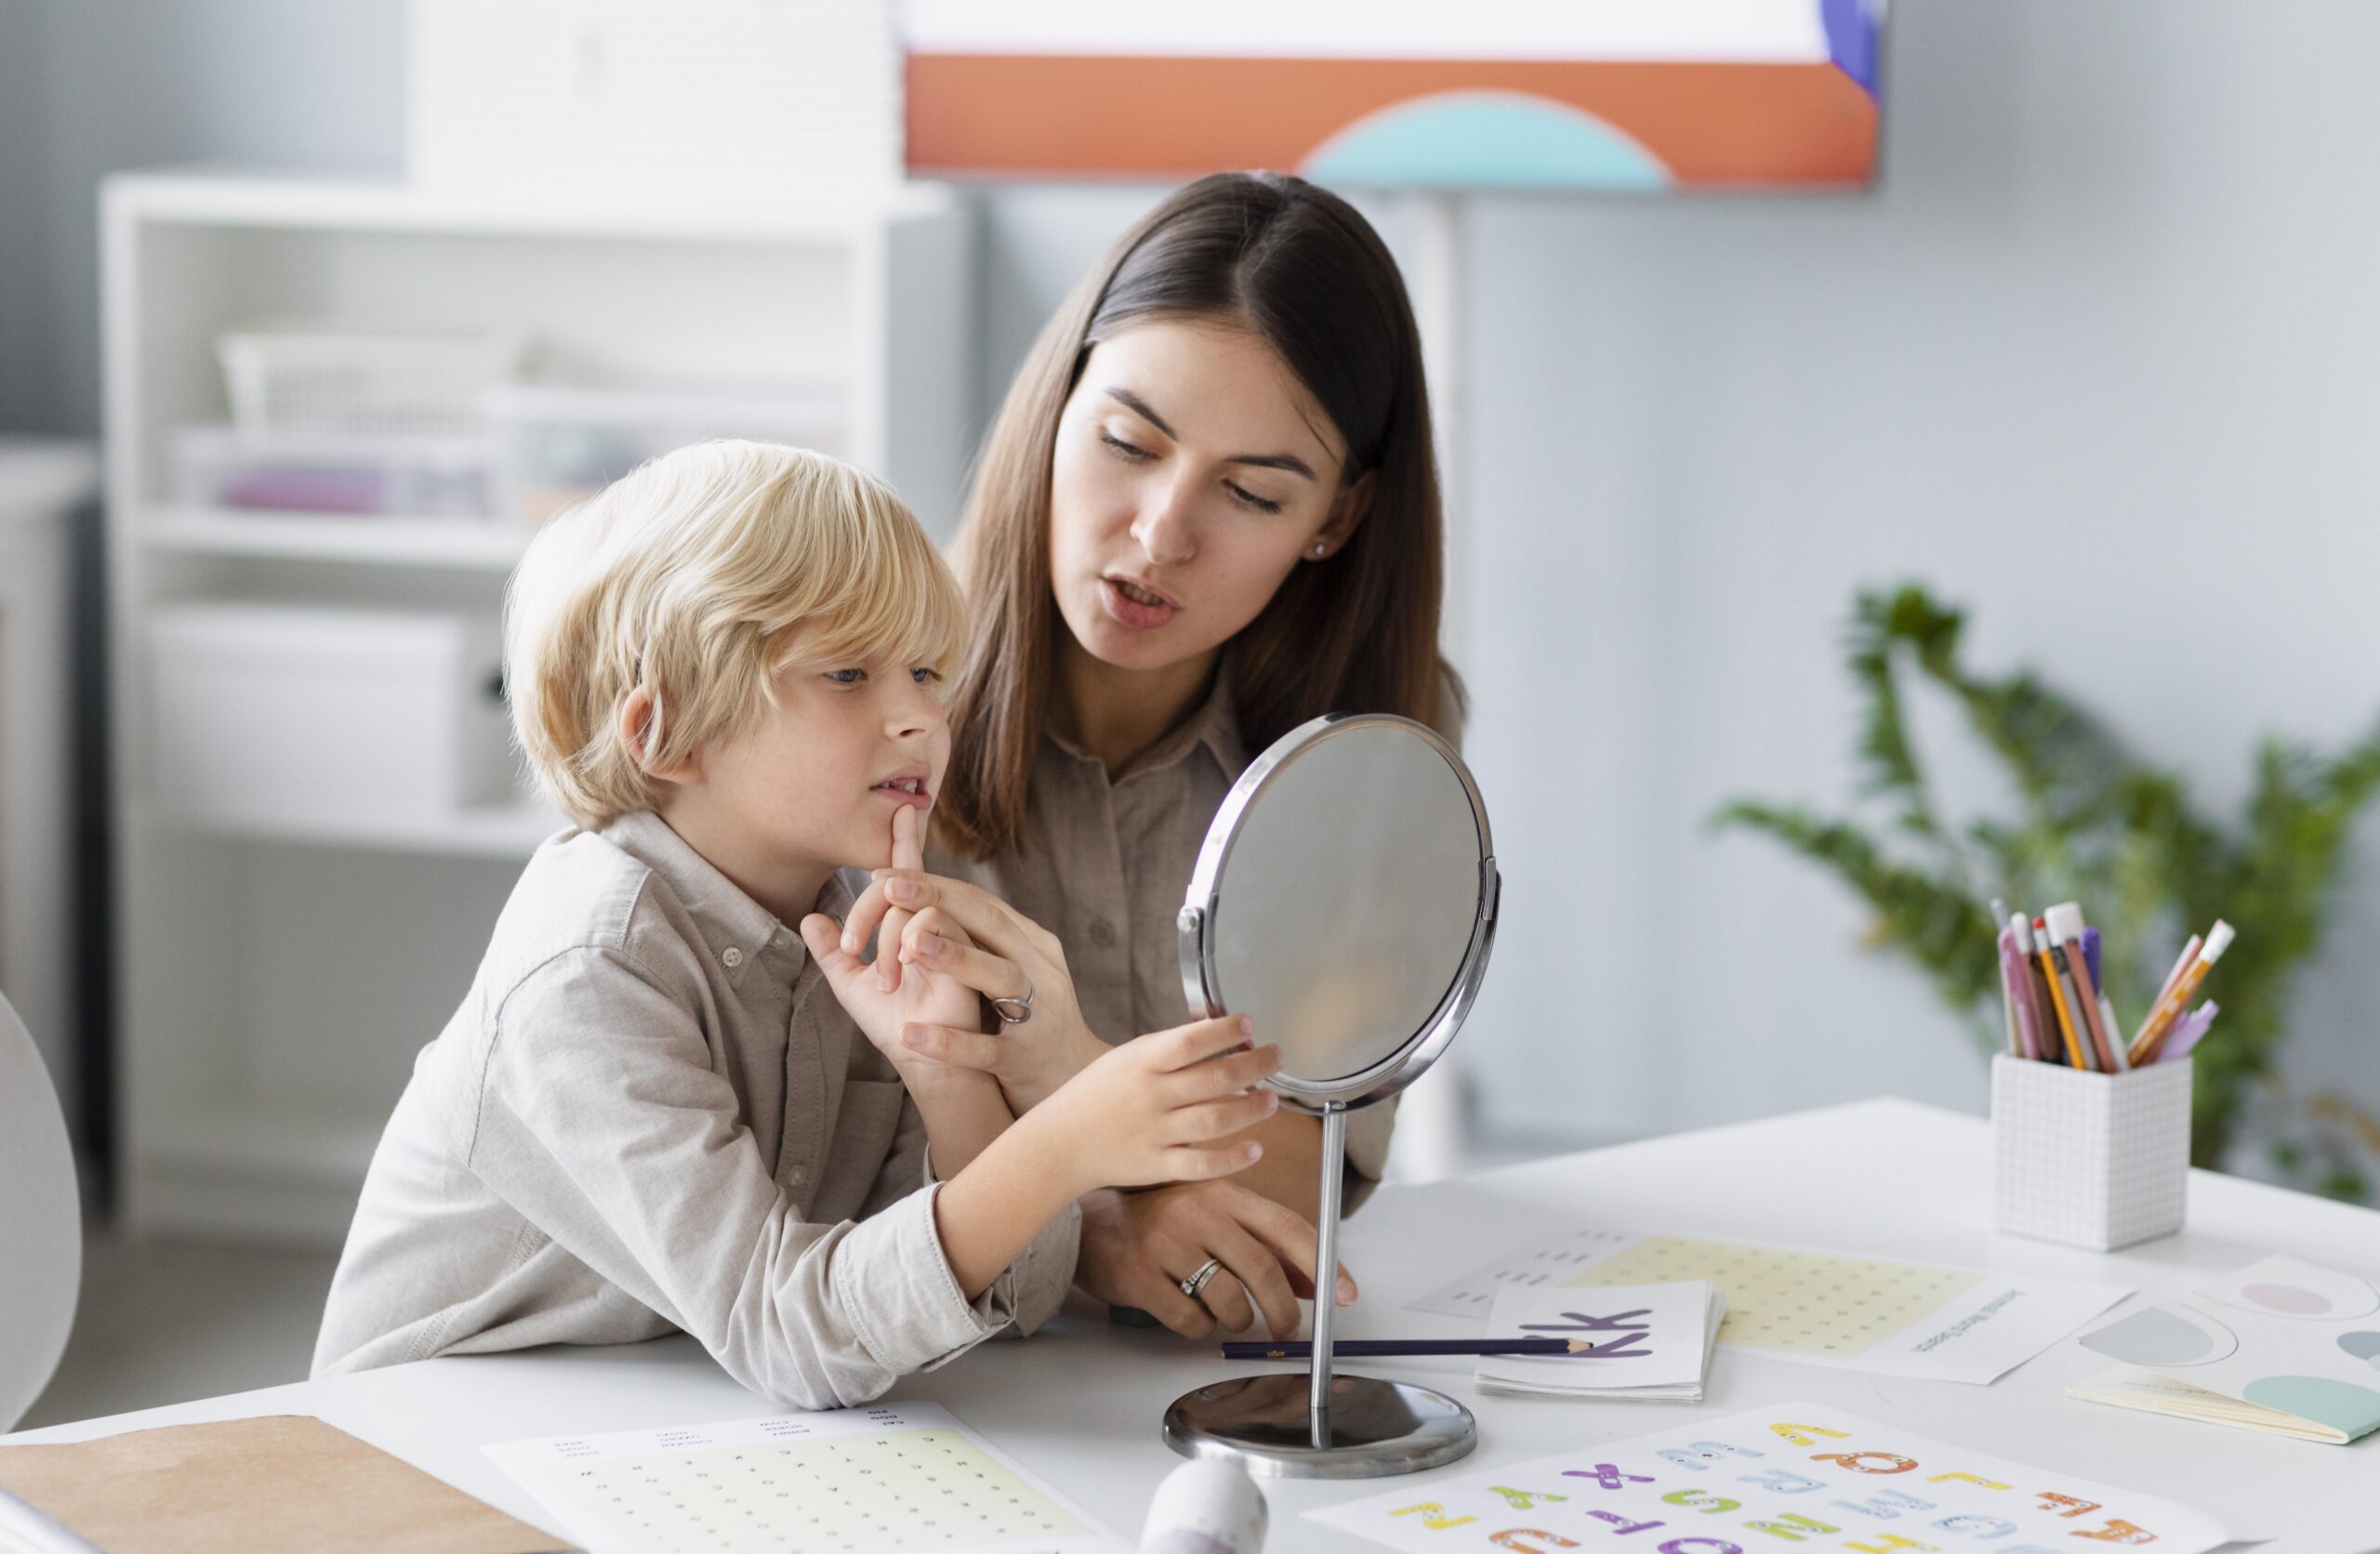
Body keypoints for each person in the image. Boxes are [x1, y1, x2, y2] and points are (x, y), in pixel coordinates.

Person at [311, 441, 1281, 1407]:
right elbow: (793, 1333)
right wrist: (1062, 1143)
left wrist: (947, 1074)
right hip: (431, 1440)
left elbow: (1014, 1298)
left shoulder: (859, 926)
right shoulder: (587, 971)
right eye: (849, 673)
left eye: (927, 671)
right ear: (668, 734)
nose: (921, 718)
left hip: (651, 1417)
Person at [844, 172, 1462, 1342]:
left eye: (1252, 493)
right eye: (1127, 442)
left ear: (1336, 519)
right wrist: (1098, 1225)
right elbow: (820, 1152)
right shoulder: (858, 687)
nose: (1160, 533)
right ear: (1057, 403)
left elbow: (1307, 1169)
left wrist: (1065, 1073)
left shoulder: (1377, 744)